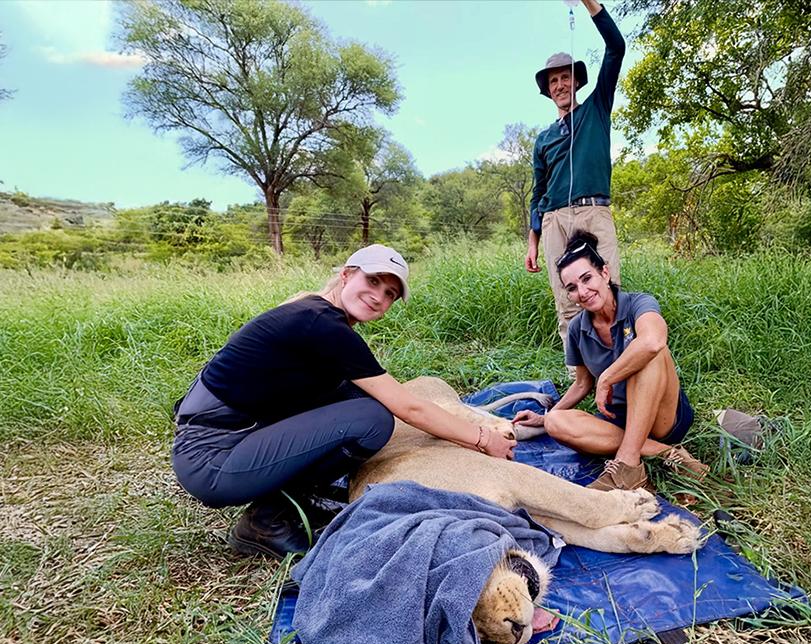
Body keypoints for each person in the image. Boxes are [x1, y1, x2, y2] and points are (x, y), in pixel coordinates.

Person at [171, 244, 516, 558]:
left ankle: (296, 501)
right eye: (373, 280)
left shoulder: (309, 309)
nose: (379, 296)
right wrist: (483, 439)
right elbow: (408, 408)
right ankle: (267, 519)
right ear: (347, 274)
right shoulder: (321, 325)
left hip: (222, 439)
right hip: (213, 460)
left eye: (390, 293)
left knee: (354, 397)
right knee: (371, 419)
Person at [514, 231, 708, 492]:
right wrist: (544, 418)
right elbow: (582, 385)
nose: (582, 292)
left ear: (604, 273)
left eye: (587, 278)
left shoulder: (638, 303)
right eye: (572, 288)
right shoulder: (576, 329)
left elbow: (653, 341)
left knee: (648, 351)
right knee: (555, 422)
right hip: (618, 420)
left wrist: (607, 377)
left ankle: (628, 464)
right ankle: (668, 455)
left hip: (662, 417)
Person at [526, 0, 624, 354]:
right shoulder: (544, 139)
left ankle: (617, 366)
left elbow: (616, 48)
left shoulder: (596, 109)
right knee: (567, 301)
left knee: (608, 293)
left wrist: (589, 3)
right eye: (553, 81)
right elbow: (538, 194)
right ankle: (578, 375)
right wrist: (533, 240)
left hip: (593, 212)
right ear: (548, 89)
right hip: (554, 221)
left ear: (576, 81)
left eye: (564, 77)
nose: (559, 85)